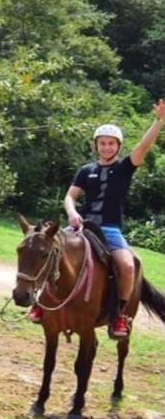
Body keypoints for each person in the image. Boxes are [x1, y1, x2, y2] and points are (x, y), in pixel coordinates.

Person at [27, 100, 165, 336]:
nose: (106, 147)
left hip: (110, 229)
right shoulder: (85, 170)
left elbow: (143, 146)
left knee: (127, 266)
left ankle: (119, 316)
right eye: (102, 143)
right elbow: (70, 197)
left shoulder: (124, 168)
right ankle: (41, 303)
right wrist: (72, 213)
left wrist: (159, 121)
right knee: (50, 251)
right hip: (82, 226)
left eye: (111, 143)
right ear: (96, 145)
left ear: (118, 146)